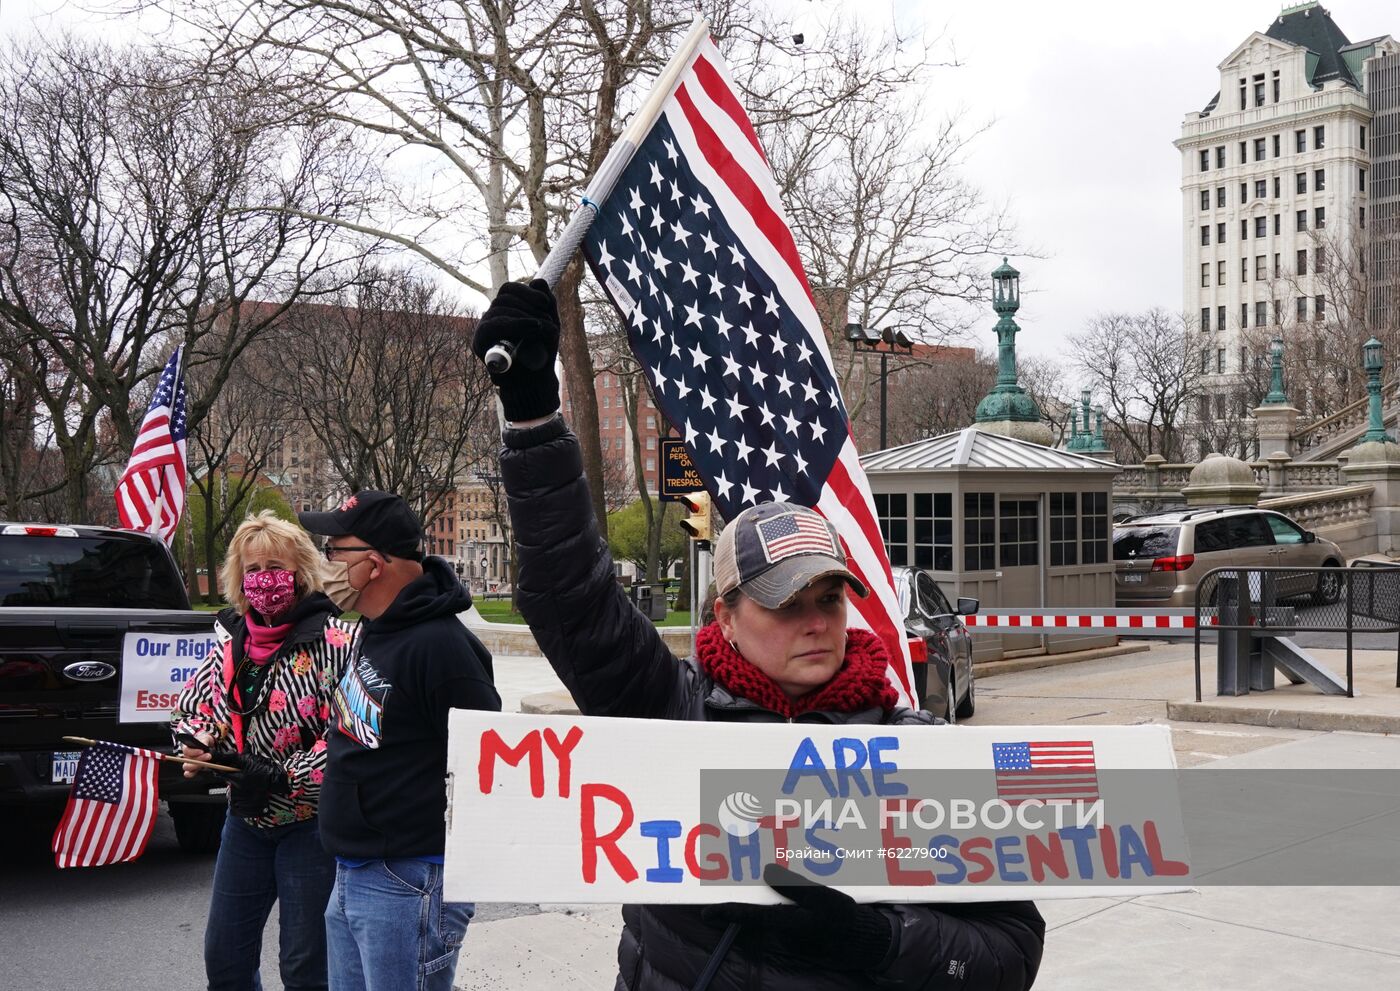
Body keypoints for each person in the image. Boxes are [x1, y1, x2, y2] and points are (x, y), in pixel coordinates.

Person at [472, 280, 1046, 990]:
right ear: (726, 618)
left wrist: (881, 941)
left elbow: (1012, 948)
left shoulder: (918, 754)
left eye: (831, 598)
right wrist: (533, 420)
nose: (816, 621)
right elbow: (573, 603)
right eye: (784, 602)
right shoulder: (674, 713)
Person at [297, 490, 500, 991]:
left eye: (333, 551)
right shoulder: (375, 628)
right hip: (352, 873)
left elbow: (487, 770)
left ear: (374, 563)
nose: (325, 565)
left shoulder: (442, 648)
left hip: (407, 882)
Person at [172, 511, 358, 991]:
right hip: (246, 821)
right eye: (252, 569)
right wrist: (196, 740)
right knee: (225, 960)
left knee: (304, 966)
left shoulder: (337, 643)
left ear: (299, 571)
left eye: (274, 566)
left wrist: (283, 776)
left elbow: (348, 733)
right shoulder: (231, 643)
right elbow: (198, 704)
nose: (263, 579)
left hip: (310, 827)